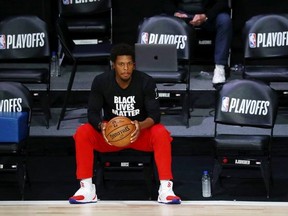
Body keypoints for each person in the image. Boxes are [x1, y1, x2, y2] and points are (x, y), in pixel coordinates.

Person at [69, 43, 181, 205]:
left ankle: (166, 189)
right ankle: (86, 188)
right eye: (121, 64)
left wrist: (139, 125)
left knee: (161, 133)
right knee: (83, 132)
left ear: (134, 65)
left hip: (139, 133)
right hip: (111, 136)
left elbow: (155, 115)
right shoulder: (101, 81)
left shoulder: (146, 82)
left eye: (129, 64)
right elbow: (92, 113)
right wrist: (102, 126)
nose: (126, 68)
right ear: (113, 65)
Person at [162, 0, 232, 85]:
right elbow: (166, 2)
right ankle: (167, 67)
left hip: (207, 14)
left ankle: (220, 67)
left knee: (224, 20)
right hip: (182, 14)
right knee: (162, 20)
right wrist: (174, 13)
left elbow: (222, 3)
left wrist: (206, 16)